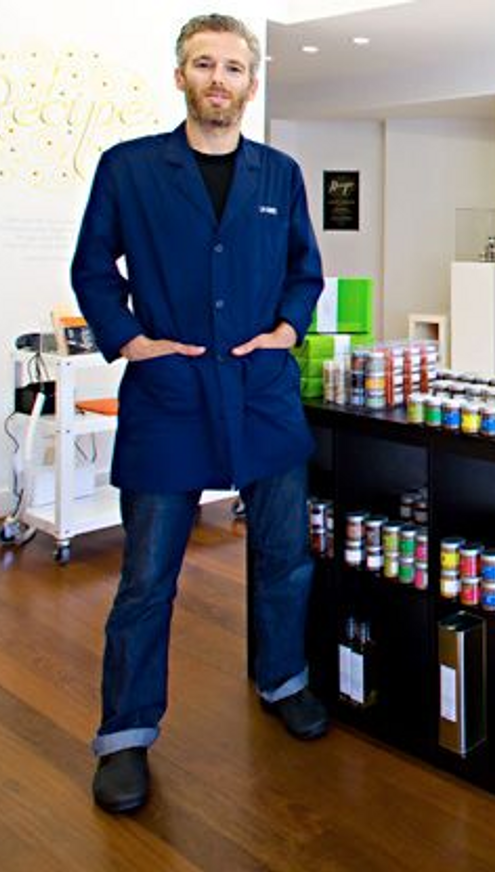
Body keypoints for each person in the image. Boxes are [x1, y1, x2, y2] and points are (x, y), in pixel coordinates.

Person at [71, 13, 327, 814]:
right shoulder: (130, 169)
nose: (219, 79)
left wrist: (288, 328)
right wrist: (129, 340)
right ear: (180, 76)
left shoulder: (278, 176)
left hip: (262, 394)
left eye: (234, 67)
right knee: (147, 579)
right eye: (203, 64)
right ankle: (125, 736)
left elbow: (304, 271)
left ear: (252, 83)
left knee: (284, 556)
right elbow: (91, 269)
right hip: (170, 400)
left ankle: (284, 679)